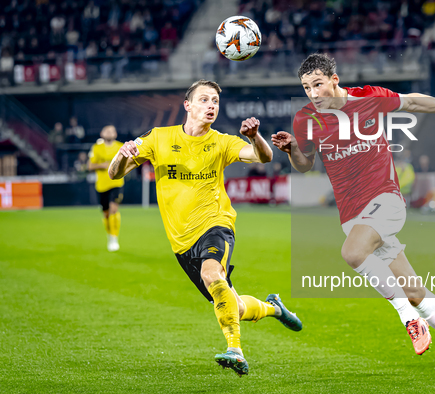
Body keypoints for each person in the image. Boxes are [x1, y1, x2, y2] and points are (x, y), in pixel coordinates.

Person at [272, 53, 435, 379]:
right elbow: (305, 164)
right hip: (351, 213)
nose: (313, 92)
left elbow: (416, 103)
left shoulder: (368, 98)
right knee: (416, 292)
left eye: (318, 84)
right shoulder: (305, 119)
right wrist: (292, 149)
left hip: (385, 199)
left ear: (334, 80)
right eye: (306, 87)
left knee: (351, 252)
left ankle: (407, 318)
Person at [107, 80, 302, 376]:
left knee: (212, 274)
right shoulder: (159, 138)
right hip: (181, 242)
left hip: (215, 224)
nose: (211, 105)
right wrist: (122, 155)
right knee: (232, 306)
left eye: (215, 101)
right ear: (188, 105)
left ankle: (235, 349)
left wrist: (255, 137)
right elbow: (114, 174)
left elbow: (264, 156)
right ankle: (274, 307)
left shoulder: (222, 142)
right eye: (204, 100)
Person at [88, 125, 124, 252]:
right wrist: (101, 165)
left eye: (112, 130)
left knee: (114, 209)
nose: (110, 133)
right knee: (106, 213)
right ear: (102, 133)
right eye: (107, 130)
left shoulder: (121, 147)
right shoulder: (96, 148)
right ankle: (110, 235)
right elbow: (90, 166)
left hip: (116, 183)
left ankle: (114, 238)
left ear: (115, 134)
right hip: (102, 185)